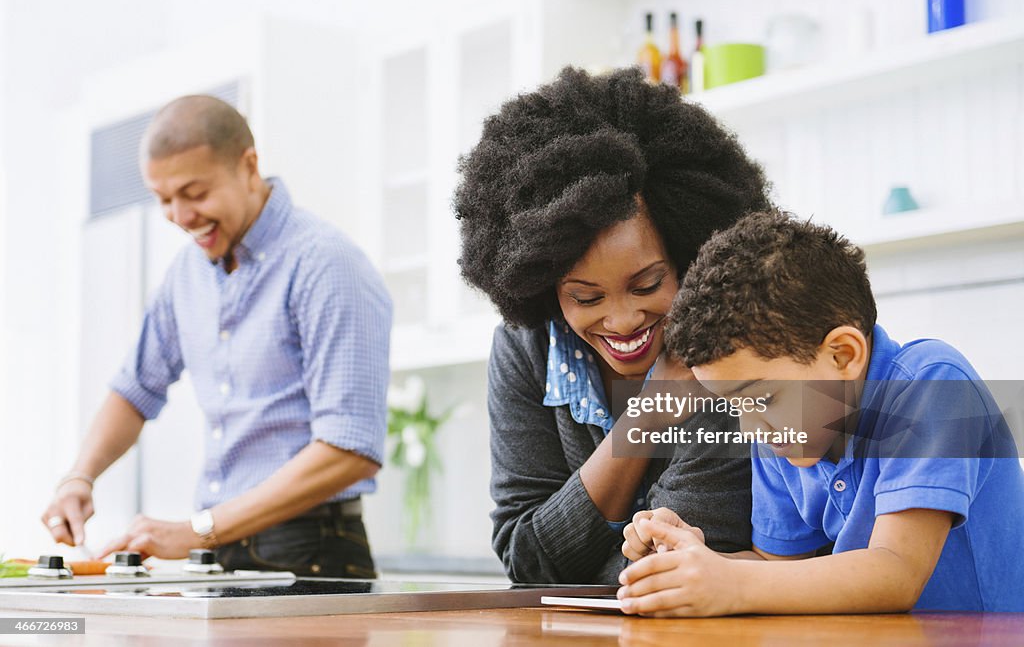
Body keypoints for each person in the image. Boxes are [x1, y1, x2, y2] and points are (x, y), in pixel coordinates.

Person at [40, 95, 392, 578]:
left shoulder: (326, 264)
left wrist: (195, 529)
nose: (180, 216)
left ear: (249, 166)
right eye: (164, 199)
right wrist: (79, 478)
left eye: (195, 193)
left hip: (311, 549)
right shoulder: (187, 273)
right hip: (220, 550)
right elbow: (135, 389)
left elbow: (349, 450)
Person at [453, 67, 773, 584]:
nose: (623, 320)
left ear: (691, 254)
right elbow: (524, 558)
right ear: (545, 288)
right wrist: (648, 418)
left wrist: (574, 554)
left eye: (647, 285)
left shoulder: (736, 344)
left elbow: (673, 564)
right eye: (585, 296)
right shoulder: (526, 348)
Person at [619, 211, 1024, 614]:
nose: (748, 426)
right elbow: (774, 568)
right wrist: (692, 563)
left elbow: (896, 571)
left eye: (760, 399)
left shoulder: (931, 382)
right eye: (734, 405)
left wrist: (731, 583)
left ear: (842, 354)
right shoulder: (786, 437)